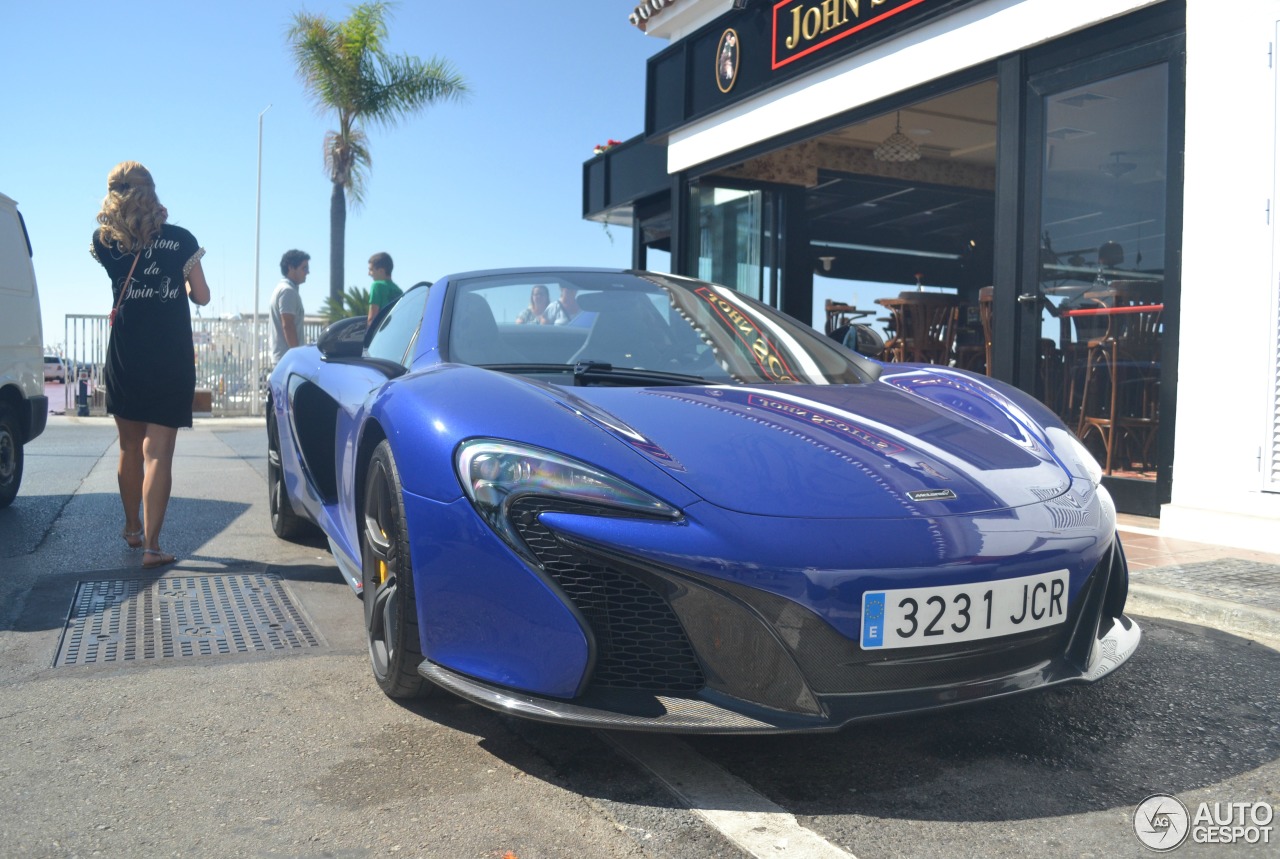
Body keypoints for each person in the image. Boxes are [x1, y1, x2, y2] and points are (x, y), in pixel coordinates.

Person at [90, 161, 211, 569]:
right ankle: (153, 547)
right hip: (170, 354)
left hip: (126, 353)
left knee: (128, 447)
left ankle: (131, 527)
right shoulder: (181, 240)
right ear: (151, 191)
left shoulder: (105, 241)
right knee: (158, 452)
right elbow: (203, 296)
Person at [271, 249, 309, 364]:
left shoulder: (284, 289)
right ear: (291, 268)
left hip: (284, 360)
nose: (308, 272)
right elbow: (288, 326)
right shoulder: (288, 291)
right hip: (288, 361)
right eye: (304, 268)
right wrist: (298, 356)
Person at [366, 252, 403, 325]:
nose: (369, 273)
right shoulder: (399, 291)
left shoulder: (377, 285)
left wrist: (368, 334)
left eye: (371, 270)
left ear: (381, 271)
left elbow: (372, 318)